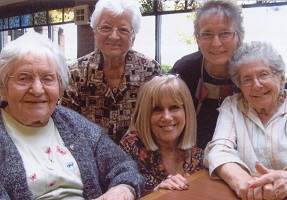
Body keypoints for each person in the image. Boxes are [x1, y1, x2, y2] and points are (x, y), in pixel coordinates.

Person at [0, 31, 145, 199]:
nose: (37, 89)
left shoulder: (74, 124)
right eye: (24, 79)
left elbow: (122, 165)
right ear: (3, 87)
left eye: (48, 79)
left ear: (60, 87)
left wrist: (123, 189)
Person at [60, 0, 161, 144]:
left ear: (133, 38)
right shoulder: (75, 73)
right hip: (90, 156)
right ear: (95, 33)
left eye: (123, 29)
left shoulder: (150, 70)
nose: (114, 36)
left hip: (138, 157)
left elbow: (157, 118)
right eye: (106, 28)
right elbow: (65, 124)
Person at [204, 41, 287, 200]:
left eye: (263, 74)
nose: (256, 85)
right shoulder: (233, 106)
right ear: (240, 85)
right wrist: (243, 182)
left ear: (281, 78)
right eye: (247, 79)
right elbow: (218, 150)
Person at [169, 0, 244, 149]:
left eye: (225, 33)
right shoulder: (185, 69)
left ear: (239, 37)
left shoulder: (250, 69)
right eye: (207, 34)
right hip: (190, 154)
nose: (216, 43)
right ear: (197, 39)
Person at [119, 75, 204, 195]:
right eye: (157, 109)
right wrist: (155, 193)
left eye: (174, 107)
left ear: (186, 111)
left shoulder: (196, 154)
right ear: (145, 114)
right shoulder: (131, 147)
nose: (167, 117)